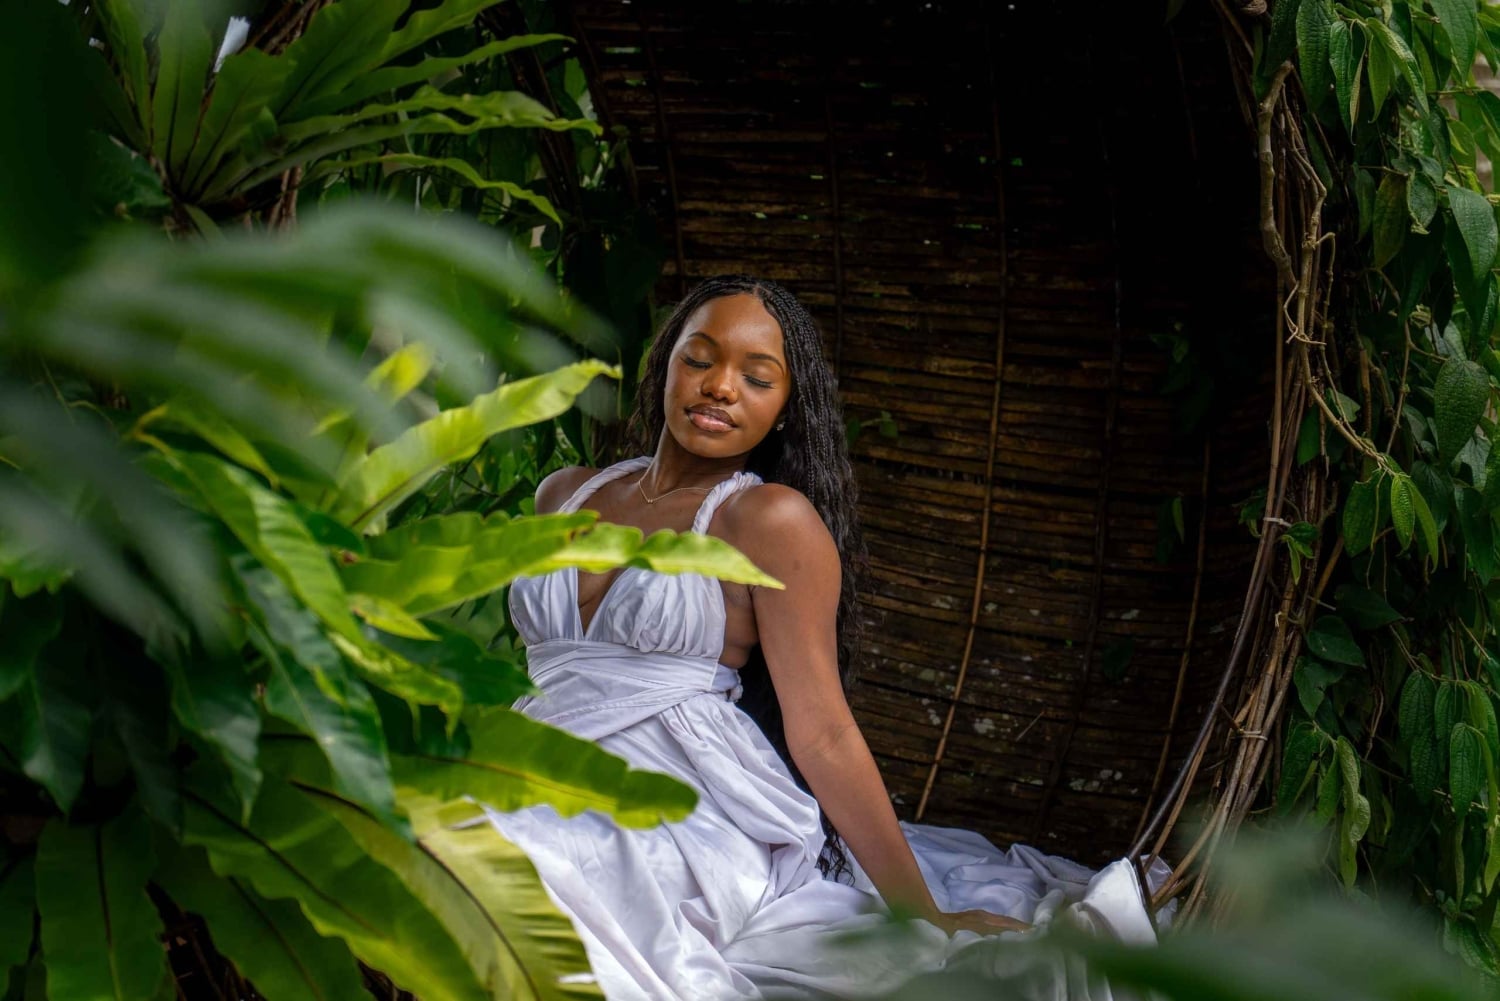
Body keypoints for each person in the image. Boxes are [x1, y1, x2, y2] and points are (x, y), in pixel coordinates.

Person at [480, 275, 1167, 999]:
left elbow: (824, 733)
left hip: (671, 796)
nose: (720, 387)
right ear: (664, 366)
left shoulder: (768, 521)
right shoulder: (564, 494)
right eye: (700, 358)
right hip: (527, 754)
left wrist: (922, 914)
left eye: (756, 376)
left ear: (783, 409)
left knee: (528, 866)